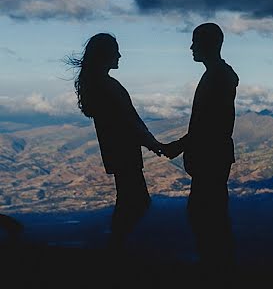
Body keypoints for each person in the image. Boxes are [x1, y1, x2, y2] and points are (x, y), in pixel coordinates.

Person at [67, 33, 165, 249]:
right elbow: (129, 120)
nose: (120, 55)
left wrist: (151, 142)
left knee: (130, 199)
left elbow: (127, 119)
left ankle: (116, 246)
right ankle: (115, 248)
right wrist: (153, 143)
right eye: (115, 51)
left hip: (116, 150)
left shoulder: (96, 84)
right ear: (105, 54)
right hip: (124, 150)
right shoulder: (107, 85)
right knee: (137, 201)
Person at [163, 22, 238, 265]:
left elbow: (209, 126)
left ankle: (215, 268)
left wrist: (180, 145)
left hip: (211, 159)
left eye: (196, 41)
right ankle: (217, 266)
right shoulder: (218, 75)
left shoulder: (217, 77)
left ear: (208, 44)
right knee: (209, 216)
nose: (191, 47)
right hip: (213, 157)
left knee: (205, 217)